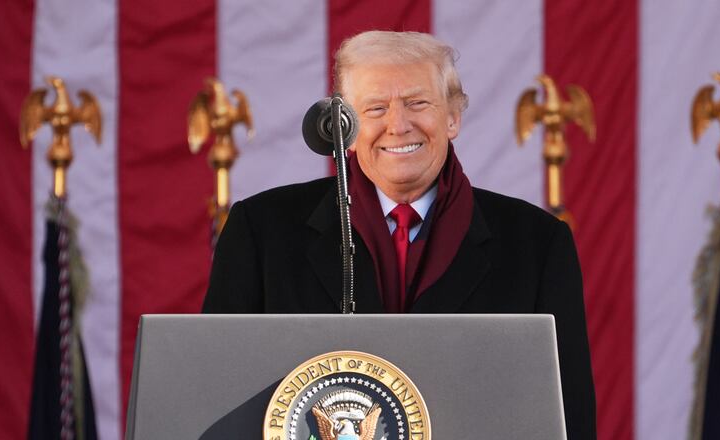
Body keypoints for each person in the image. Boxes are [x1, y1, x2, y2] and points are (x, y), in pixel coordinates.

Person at [203, 31, 596, 438]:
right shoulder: (261, 231)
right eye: (375, 108)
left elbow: (569, 418)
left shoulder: (538, 243)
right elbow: (216, 396)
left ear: (453, 117)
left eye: (417, 103)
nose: (398, 125)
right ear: (345, 129)